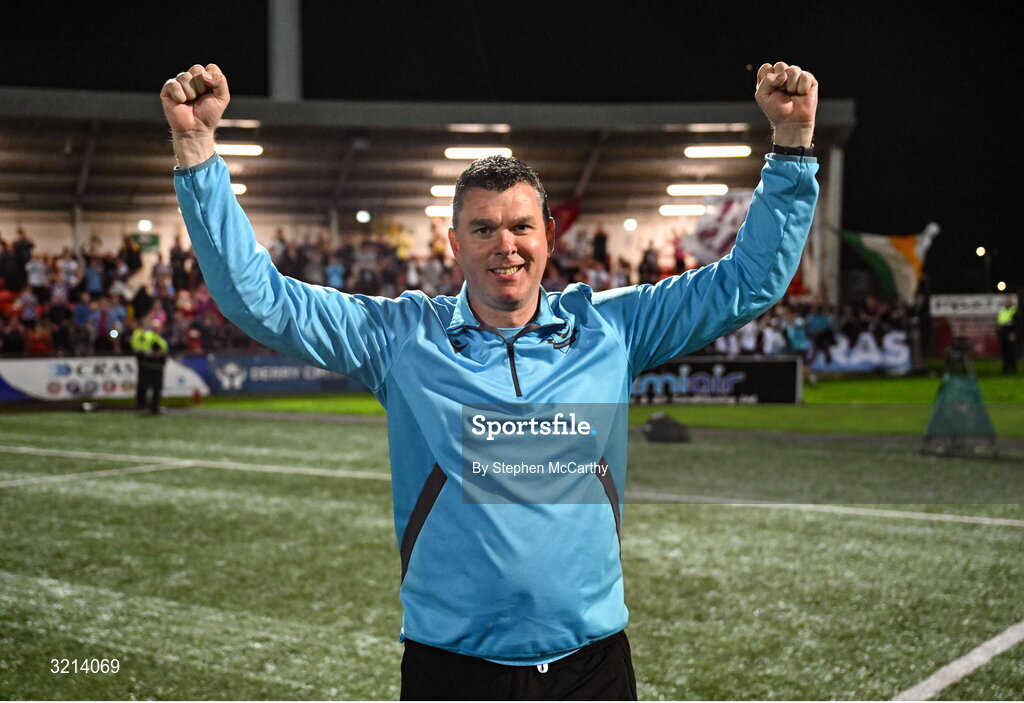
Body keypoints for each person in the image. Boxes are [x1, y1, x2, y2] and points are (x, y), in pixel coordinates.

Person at [162, 60, 819, 700]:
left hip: (592, 669)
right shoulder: (400, 339)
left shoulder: (613, 328)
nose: (505, 244)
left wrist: (790, 148)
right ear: (454, 244)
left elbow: (748, 281)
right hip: (453, 673)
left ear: (548, 235)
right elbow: (259, 298)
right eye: (483, 229)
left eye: (519, 226)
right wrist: (197, 150)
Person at [130, 318, 169, 414]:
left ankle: (154, 407)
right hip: (146, 365)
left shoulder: (162, 340)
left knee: (156, 388)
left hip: (156, 367)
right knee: (144, 386)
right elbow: (137, 344)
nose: (157, 329)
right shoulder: (146, 335)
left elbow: (163, 352)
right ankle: (142, 405)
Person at [997, 296, 1018, 373]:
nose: (1006, 303)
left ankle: (1013, 367)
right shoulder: (1002, 311)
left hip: (1010, 333)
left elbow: (1017, 323)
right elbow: (999, 322)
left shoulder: (1014, 310)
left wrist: (1013, 333)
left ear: (1011, 303)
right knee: (1004, 351)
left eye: (1008, 302)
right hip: (1003, 333)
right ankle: (1006, 367)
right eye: (1005, 302)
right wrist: (999, 332)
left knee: (1011, 351)